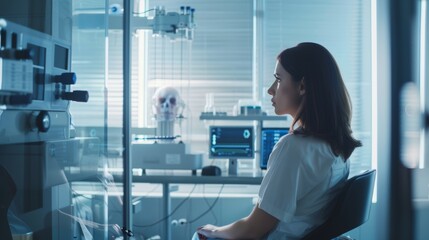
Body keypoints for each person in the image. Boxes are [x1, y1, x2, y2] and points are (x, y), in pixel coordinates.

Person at [194, 42, 362, 240]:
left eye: (278, 79)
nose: (271, 90)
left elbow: (252, 230)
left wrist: (213, 230)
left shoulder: (293, 148)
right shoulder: (336, 149)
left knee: (200, 236)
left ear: (302, 86)